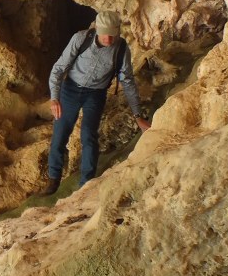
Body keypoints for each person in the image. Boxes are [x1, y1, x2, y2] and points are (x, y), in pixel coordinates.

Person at [44, 10, 150, 194]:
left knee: (89, 136)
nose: (108, 39)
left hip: (96, 93)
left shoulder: (121, 49)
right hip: (70, 89)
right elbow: (59, 68)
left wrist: (138, 116)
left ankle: (86, 184)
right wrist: (54, 98)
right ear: (97, 29)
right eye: (104, 34)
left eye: (112, 35)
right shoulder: (81, 39)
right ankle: (53, 179)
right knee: (60, 133)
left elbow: (128, 82)